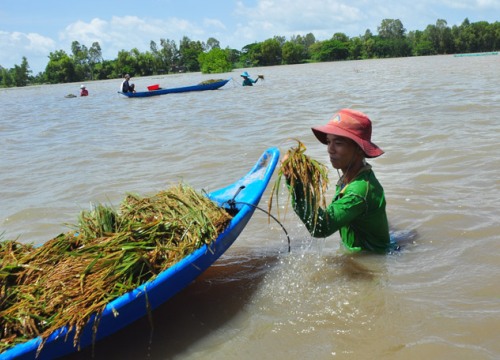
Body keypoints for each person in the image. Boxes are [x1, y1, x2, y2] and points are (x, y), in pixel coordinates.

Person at [286, 108, 391, 253]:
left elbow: (321, 228)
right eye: (329, 142)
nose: (330, 149)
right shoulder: (349, 178)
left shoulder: (359, 191)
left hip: (372, 258)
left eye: (339, 143)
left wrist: (297, 184)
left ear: (360, 149)